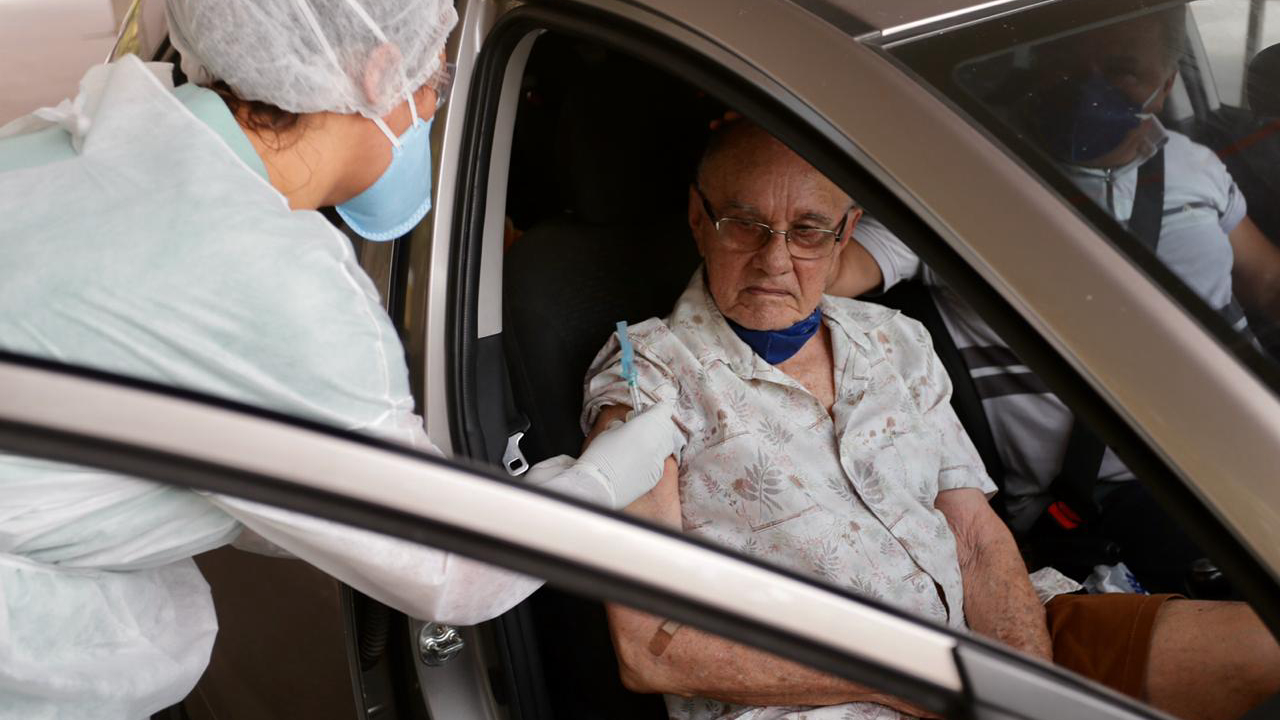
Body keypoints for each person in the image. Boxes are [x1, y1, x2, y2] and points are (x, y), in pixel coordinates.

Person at [0, 1, 679, 718]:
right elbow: (454, 576)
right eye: (436, 77)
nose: (433, 103)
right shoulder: (271, 281)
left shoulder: (67, 142)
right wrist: (600, 483)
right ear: (380, 68)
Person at [581, 120, 1280, 720]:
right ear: (700, 218)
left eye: (808, 231)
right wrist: (911, 676)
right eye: (745, 225)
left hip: (991, 642)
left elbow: (974, 535)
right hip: (820, 700)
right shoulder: (648, 376)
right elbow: (651, 648)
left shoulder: (894, 339)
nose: (775, 259)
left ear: (847, 231)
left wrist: (1022, 682)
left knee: (1263, 649)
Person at [822, 9, 1280, 594]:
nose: (1089, 88)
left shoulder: (1195, 166)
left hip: (1245, 460)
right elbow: (821, 272)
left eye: (1121, 70)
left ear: (1166, 85)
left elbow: (1266, 282)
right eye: (1069, 65)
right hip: (1101, 513)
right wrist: (801, 160)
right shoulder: (957, 181)